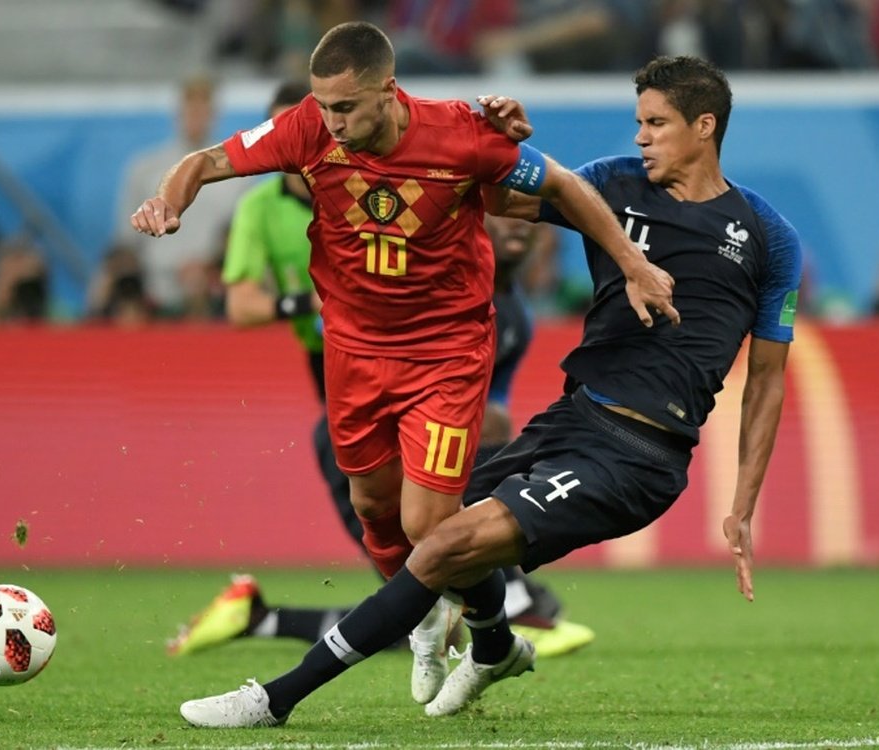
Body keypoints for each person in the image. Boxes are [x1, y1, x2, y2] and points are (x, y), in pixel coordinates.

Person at [172, 53, 803, 728]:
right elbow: (500, 195)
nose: (641, 136)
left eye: (657, 123)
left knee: (441, 549)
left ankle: (276, 698)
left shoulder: (769, 238)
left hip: (640, 457)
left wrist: (742, 504)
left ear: (705, 126)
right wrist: (509, 142)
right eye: (638, 122)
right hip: (574, 419)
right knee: (432, 530)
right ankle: (497, 646)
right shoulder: (615, 184)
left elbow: (766, 379)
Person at [165, 81, 593, 660]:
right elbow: (239, 306)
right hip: (344, 383)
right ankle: (499, 610)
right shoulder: (264, 209)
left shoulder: (498, 302)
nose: (323, 129)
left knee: (432, 533)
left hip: (427, 377)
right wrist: (307, 304)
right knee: (405, 554)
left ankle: (504, 610)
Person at [115, 74, 254, 317]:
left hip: (214, 293)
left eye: (203, 108)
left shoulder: (238, 172)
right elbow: (127, 238)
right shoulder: (145, 169)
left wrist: (209, 267)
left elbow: (242, 237)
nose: (196, 116)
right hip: (155, 291)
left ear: (213, 113)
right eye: (191, 107)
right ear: (179, 111)